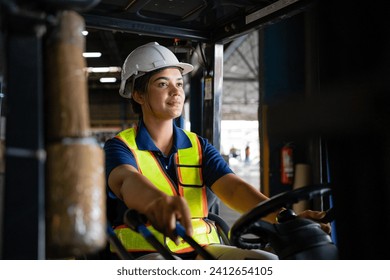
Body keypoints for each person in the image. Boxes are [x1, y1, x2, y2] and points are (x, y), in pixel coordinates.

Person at [104, 42, 330, 260]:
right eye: (162, 84)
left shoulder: (199, 146)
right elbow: (126, 181)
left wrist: (285, 218)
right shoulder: (121, 146)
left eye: (179, 83)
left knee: (266, 261)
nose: (176, 91)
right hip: (145, 253)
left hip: (203, 250)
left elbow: (232, 189)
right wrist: (156, 202)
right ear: (138, 95)